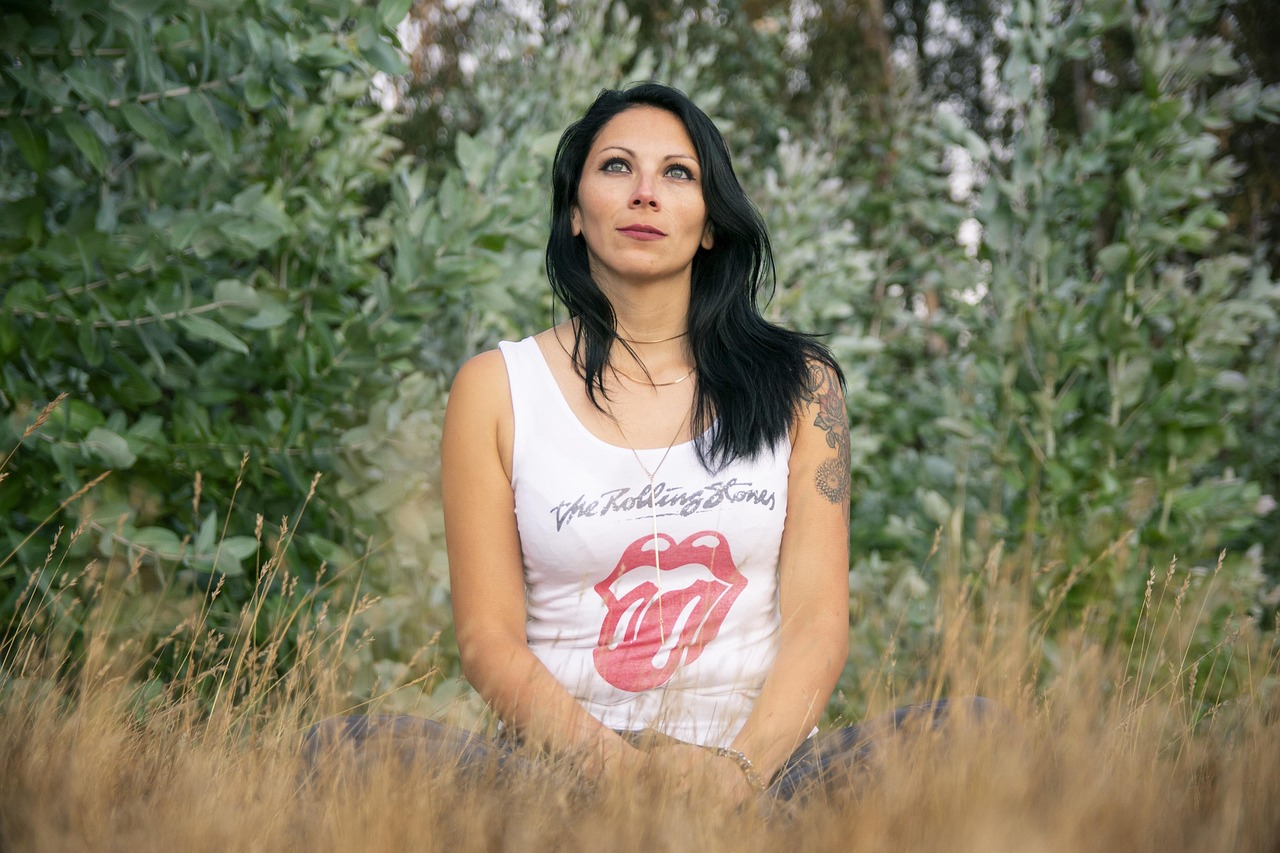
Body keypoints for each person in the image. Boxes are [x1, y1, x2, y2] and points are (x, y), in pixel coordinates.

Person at [309, 82, 987, 806]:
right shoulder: (496, 389)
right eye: (616, 167)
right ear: (575, 212)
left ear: (710, 224)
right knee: (344, 749)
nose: (645, 193)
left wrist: (737, 774)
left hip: (763, 776)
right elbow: (487, 641)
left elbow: (818, 626)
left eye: (677, 173)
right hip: (560, 780)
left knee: (973, 730)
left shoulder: (802, 385)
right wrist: (625, 776)